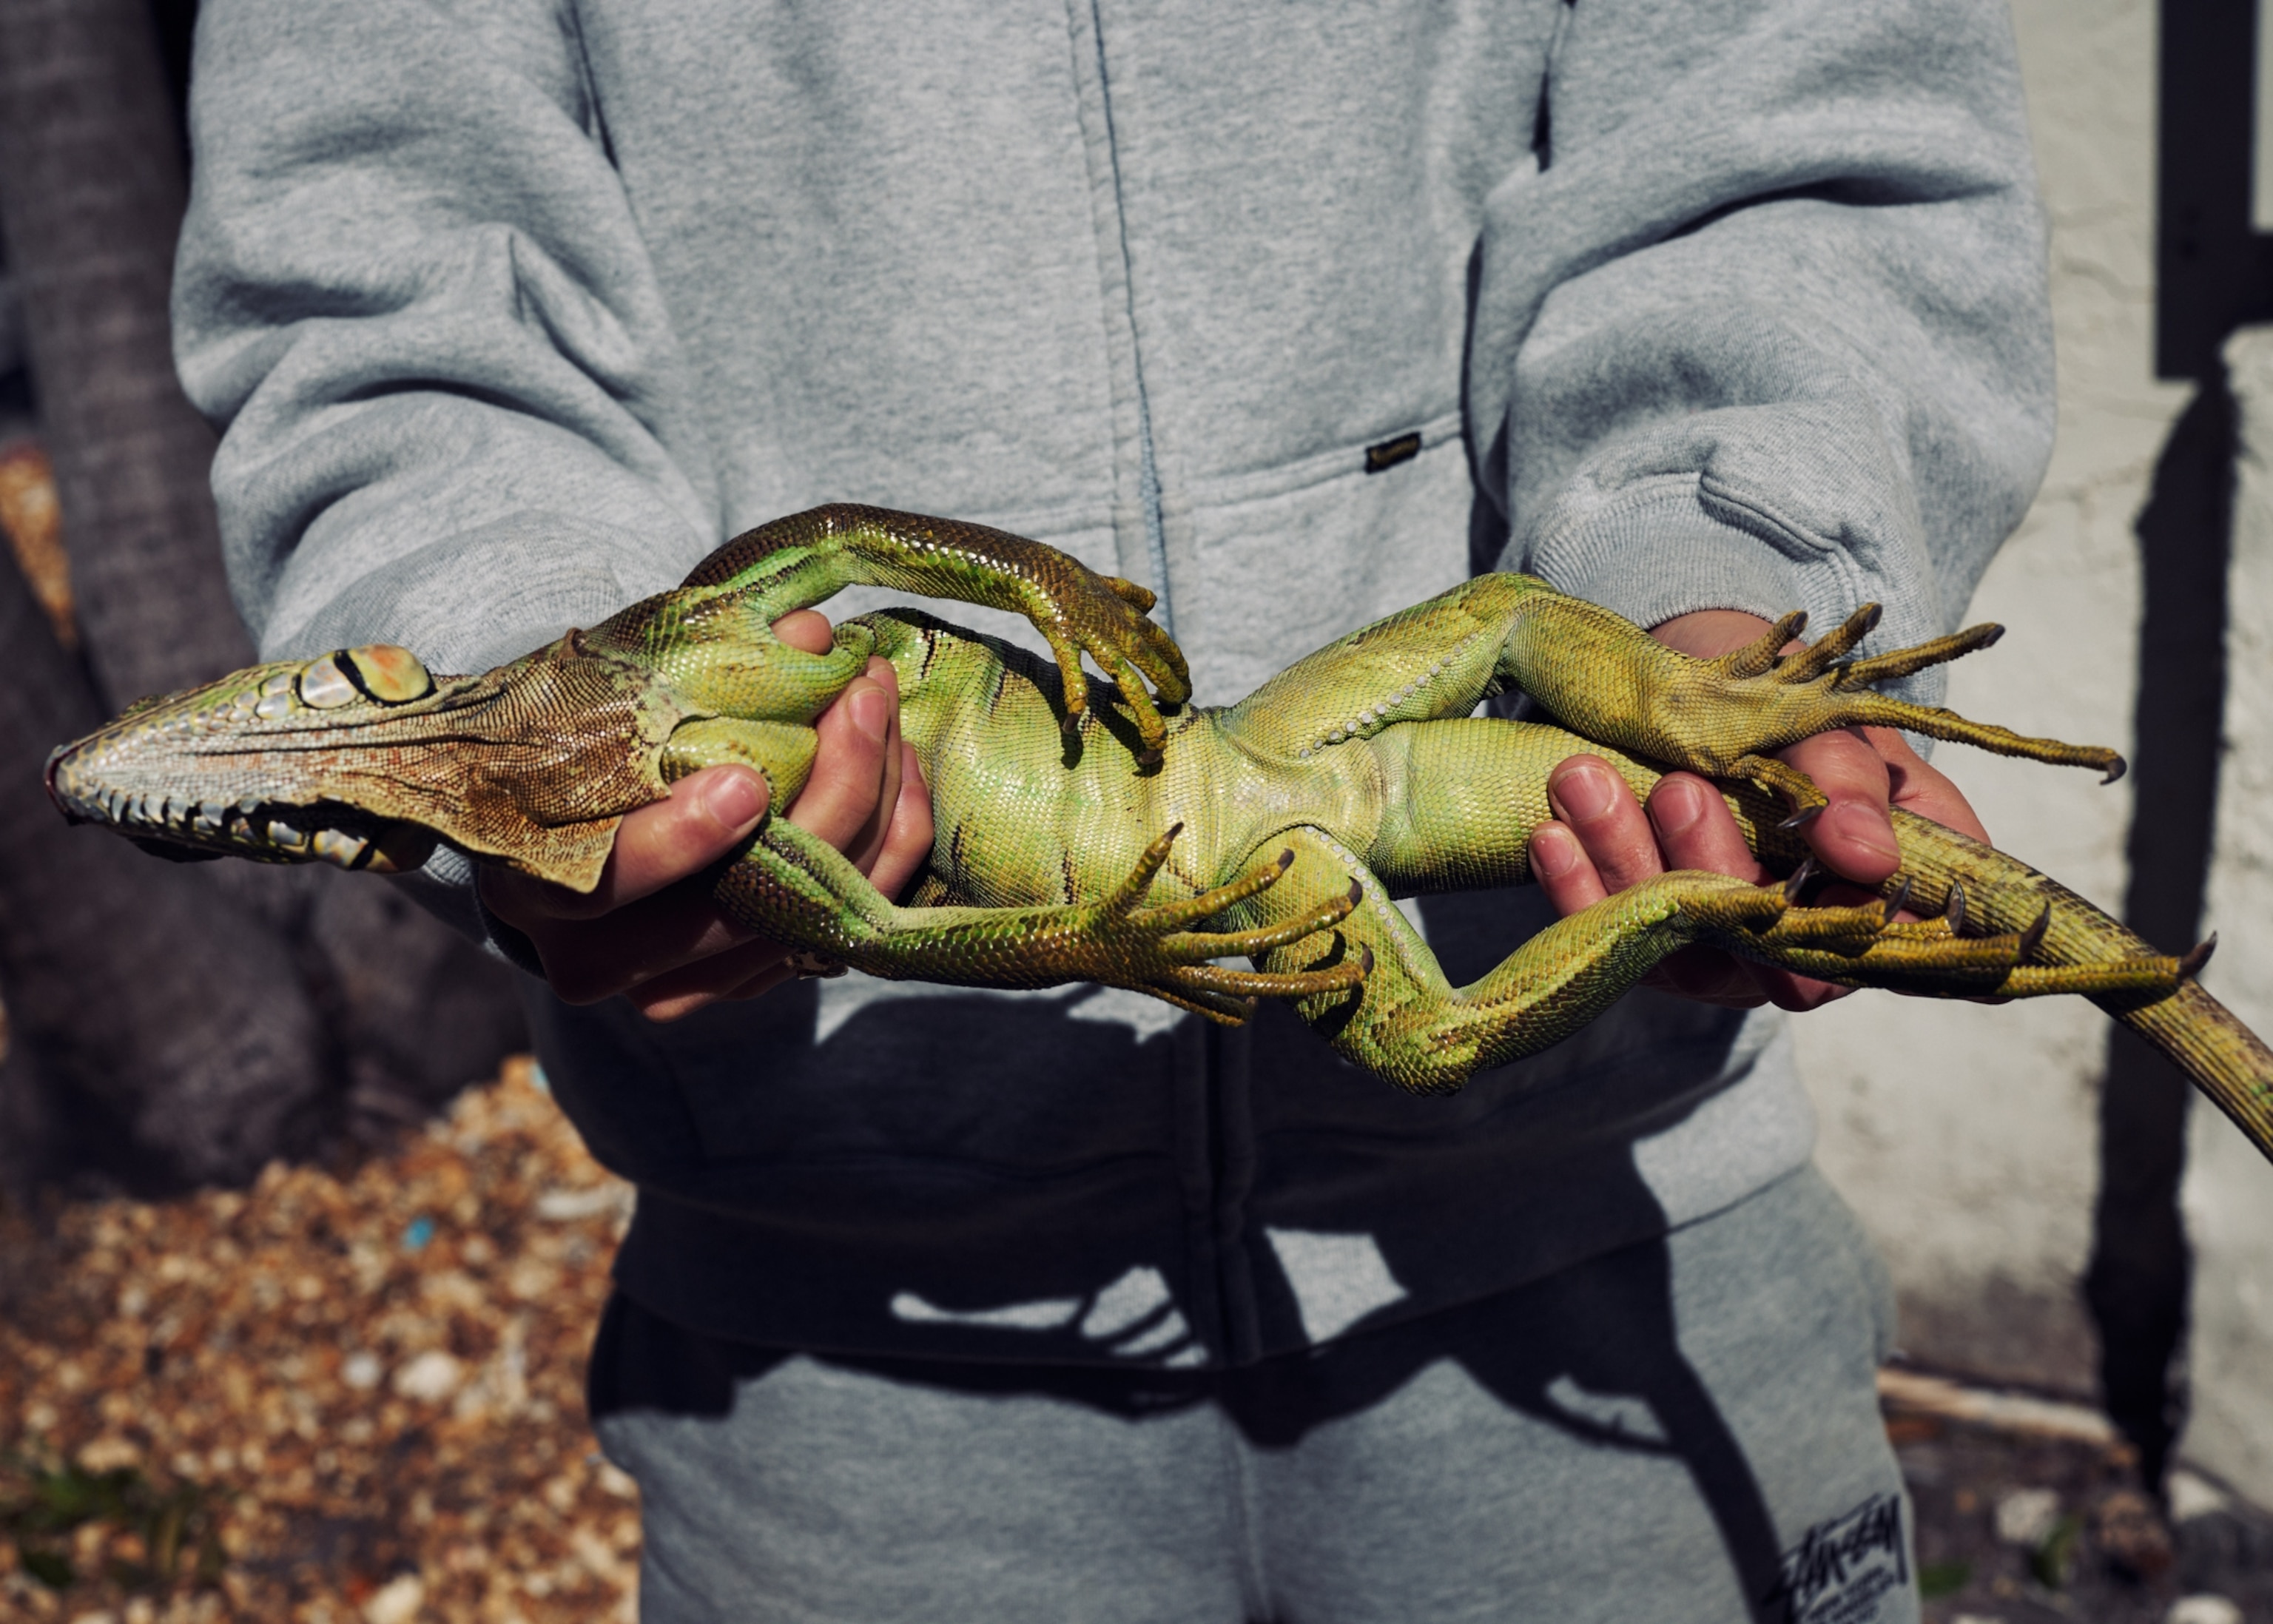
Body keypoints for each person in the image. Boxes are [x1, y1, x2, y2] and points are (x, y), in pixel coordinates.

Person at [174, 2, 2050, 1618]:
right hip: (844, 1358)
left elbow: (1794, 133)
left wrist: (1718, 597)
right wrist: (561, 748)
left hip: (1612, 1236)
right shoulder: (686, 698)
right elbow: (384, 292)